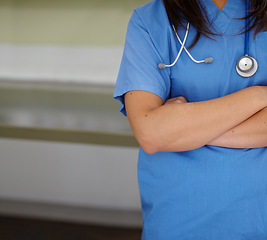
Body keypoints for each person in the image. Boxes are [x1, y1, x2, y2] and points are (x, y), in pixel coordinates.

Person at [114, 0, 267, 239]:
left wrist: (182, 129)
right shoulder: (150, 21)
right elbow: (151, 133)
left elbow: (161, 132)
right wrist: (258, 95)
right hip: (179, 223)